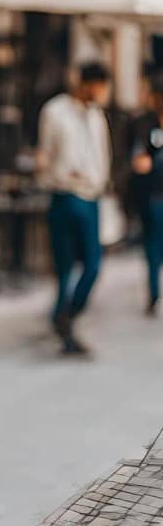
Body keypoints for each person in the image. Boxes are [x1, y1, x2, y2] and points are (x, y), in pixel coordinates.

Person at [37, 61, 113, 354]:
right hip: (65, 194)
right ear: (87, 84)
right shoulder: (55, 112)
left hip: (91, 196)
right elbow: (45, 154)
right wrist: (54, 175)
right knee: (65, 267)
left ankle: (66, 315)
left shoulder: (97, 116)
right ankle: (65, 326)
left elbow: (103, 156)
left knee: (93, 265)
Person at [128, 70, 163, 317]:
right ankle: (153, 294)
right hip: (154, 196)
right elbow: (138, 160)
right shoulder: (143, 124)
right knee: (152, 247)